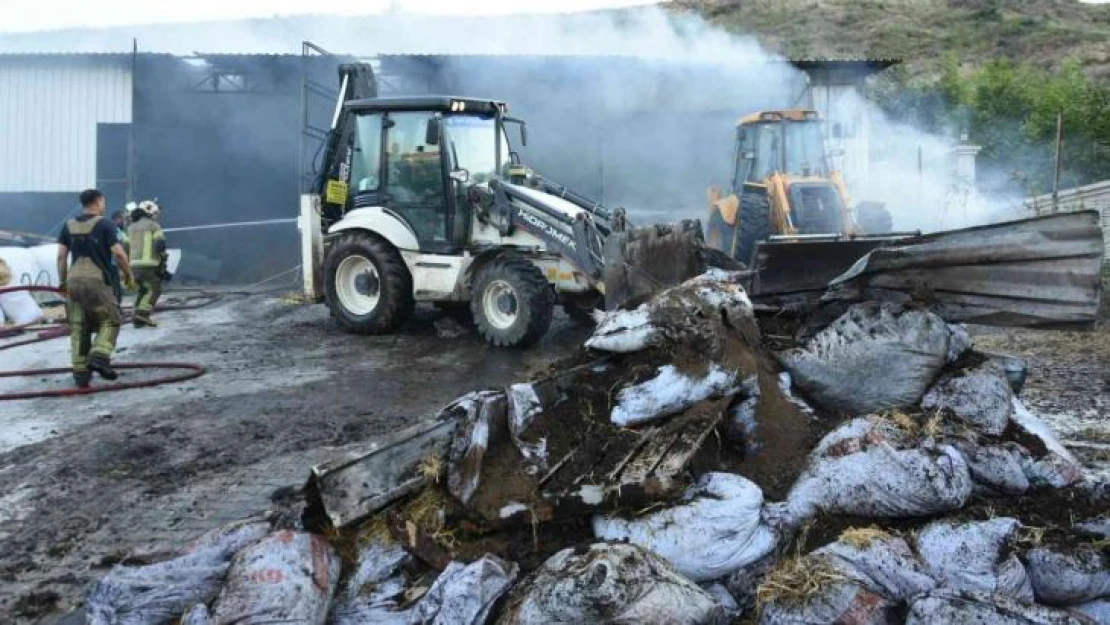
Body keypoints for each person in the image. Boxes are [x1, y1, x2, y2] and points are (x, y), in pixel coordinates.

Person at [57, 189, 135, 388]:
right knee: (111, 320)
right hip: (97, 281)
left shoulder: (68, 225)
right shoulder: (105, 224)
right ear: (98, 201)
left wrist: (63, 282)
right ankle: (99, 357)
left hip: (74, 280)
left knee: (79, 326)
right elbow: (118, 254)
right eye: (103, 201)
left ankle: (80, 374)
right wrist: (128, 275)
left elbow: (61, 256)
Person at [127, 199, 169, 328]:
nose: (157, 215)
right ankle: (143, 314)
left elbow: (125, 245)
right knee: (155, 289)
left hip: (133, 265)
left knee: (143, 290)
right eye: (156, 213)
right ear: (150, 212)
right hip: (148, 265)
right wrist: (163, 258)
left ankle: (137, 318)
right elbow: (160, 244)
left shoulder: (131, 227)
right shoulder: (153, 225)